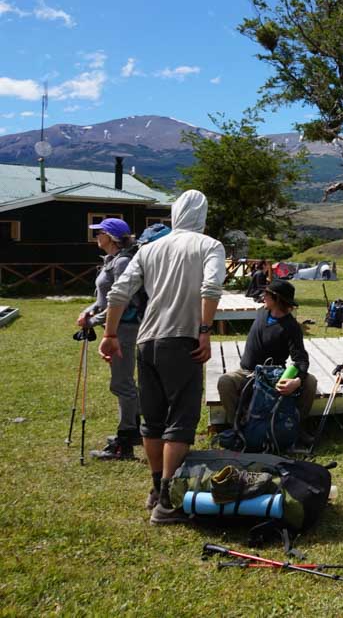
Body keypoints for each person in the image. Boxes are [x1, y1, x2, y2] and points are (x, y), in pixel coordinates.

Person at [99, 190, 226, 525]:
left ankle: (155, 488)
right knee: (180, 419)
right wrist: (204, 329)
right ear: (203, 216)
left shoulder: (149, 249)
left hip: (147, 341)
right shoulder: (209, 246)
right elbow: (211, 288)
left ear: (173, 214)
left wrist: (110, 334)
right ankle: (168, 503)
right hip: (182, 341)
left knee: (152, 419)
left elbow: (118, 291)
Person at [216, 278, 317, 442]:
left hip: (272, 375)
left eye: (267, 293)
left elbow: (301, 360)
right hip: (248, 372)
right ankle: (239, 426)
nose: (263, 295)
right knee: (225, 382)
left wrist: (296, 381)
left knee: (310, 382)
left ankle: (295, 426)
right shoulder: (263, 311)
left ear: (277, 299)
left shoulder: (291, 326)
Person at [78, 218, 142, 461]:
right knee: (123, 381)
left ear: (112, 237)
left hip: (124, 328)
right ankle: (133, 431)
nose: (96, 237)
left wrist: (94, 321)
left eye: (99, 233)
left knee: (121, 383)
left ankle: (124, 442)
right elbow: (104, 298)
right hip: (116, 327)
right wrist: (89, 311)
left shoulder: (123, 262)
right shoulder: (112, 261)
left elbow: (123, 302)